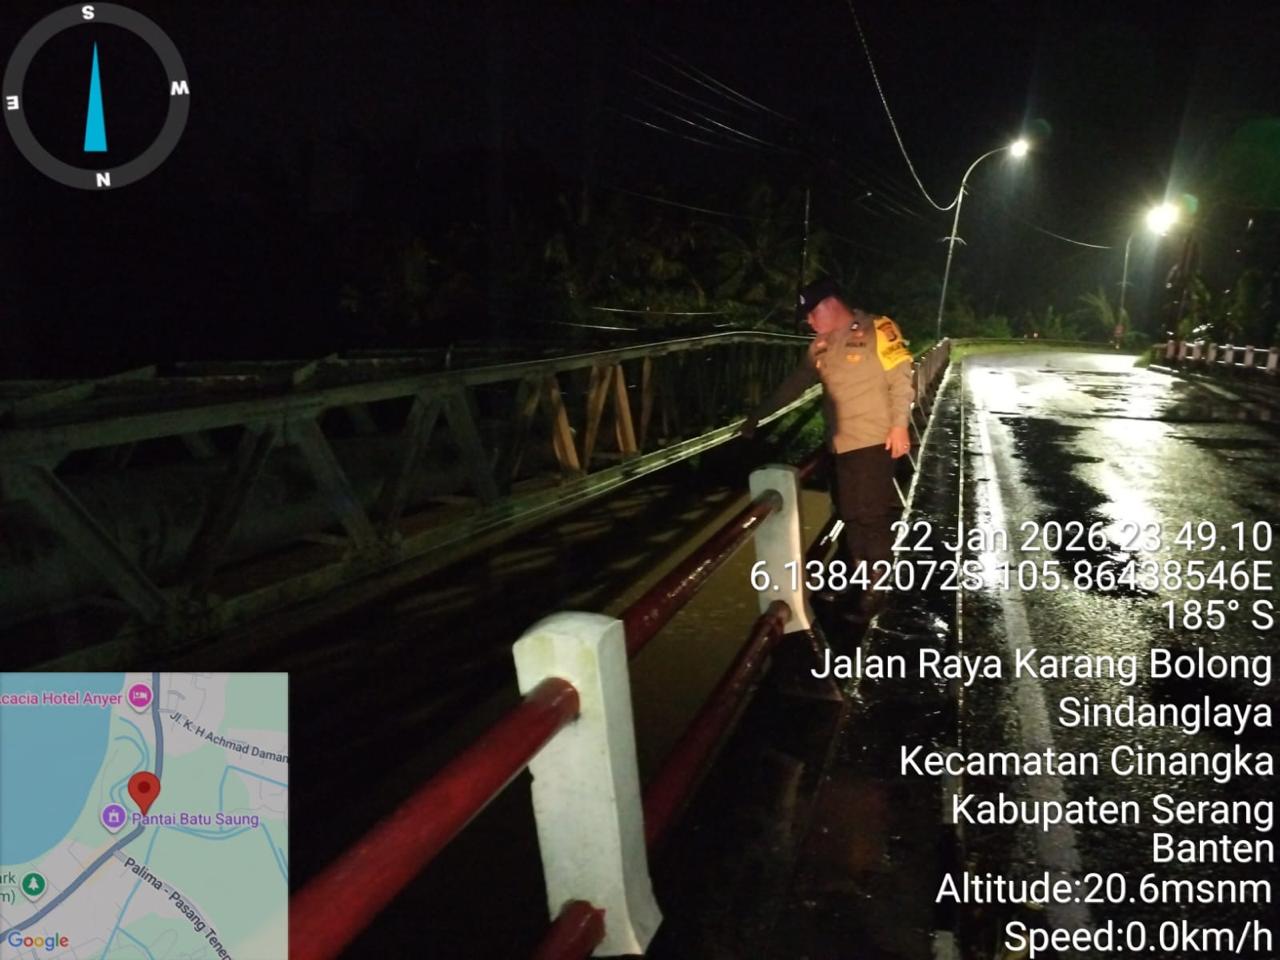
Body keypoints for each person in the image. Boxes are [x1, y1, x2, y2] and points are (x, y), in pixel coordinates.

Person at [741, 276, 914, 616]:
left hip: (875, 440)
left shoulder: (878, 329)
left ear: (830, 305)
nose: (808, 321)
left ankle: (877, 589)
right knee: (850, 514)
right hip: (840, 445)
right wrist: (757, 415)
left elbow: (901, 378)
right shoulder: (819, 345)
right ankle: (861, 578)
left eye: (811, 313)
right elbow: (794, 384)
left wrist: (899, 425)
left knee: (870, 515)